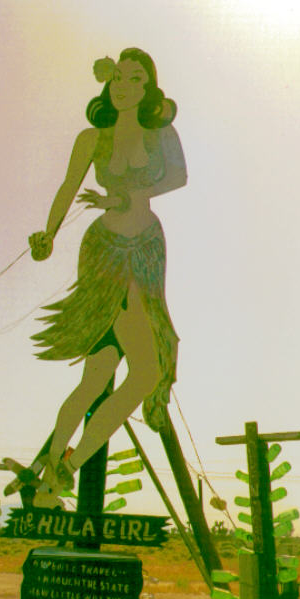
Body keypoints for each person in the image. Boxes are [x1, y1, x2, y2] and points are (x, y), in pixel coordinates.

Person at [28, 48, 187, 507]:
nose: (123, 85)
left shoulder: (162, 134)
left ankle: (58, 473)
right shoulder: (90, 138)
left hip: (144, 248)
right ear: (108, 84)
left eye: (134, 78)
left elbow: (178, 177)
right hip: (103, 252)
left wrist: (128, 195)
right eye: (117, 77)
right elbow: (67, 186)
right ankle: (57, 473)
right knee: (108, 370)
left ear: (147, 88)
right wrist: (49, 234)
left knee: (138, 370)